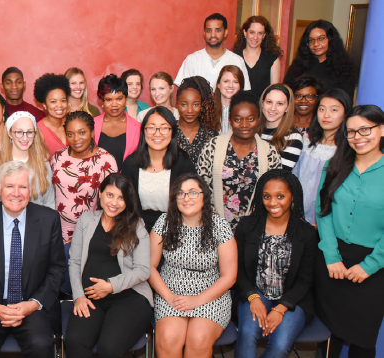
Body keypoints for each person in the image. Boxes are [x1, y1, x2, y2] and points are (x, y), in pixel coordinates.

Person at [0, 161, 66, 358]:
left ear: (30, 190)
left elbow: (57, 269)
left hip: (32, 304)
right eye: (10, 186)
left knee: (41, 345)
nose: (16, 193)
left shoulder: (49, 219)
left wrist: (33, 304)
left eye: (23, 187)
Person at [315, 105, 384, 358]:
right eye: (351, 132)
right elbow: (323, 212)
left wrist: (370, 265)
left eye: (365, 129)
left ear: (382, 129)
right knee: (328, 337)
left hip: (375, 267)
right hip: (334, 263)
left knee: (363, 339)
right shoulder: (333, 166)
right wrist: (332, 257)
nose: (358, 137)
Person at [65, 173, 154, 358]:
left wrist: (111, 286)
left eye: (121, 198)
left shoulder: (137, 226)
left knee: (109, 349)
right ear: (100, 194)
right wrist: (79, 296)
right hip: (91, 298)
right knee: (74, 342)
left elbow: (143, 270)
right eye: (110, 195)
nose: (114, 202)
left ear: (128, 201)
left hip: (129, 298)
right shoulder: (86, 220)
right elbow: (74, 262)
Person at [150, 173, 237, 358]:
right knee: (168, 337)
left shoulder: (219, 226)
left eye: (193, 192)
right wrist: (170, 297)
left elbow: (229, 276)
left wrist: (197, 300)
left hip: (211, 293)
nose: (186, 198)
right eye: (180, 193)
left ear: (204, 195)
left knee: (198, 339)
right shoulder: (164, 223)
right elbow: (149, 267)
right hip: (171, 291)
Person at [234, 170, 318, 358]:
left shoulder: (306, 233)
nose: (273, 203)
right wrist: (252, 297)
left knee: (279, 345)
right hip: (254, 293)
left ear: (293, 196)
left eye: (280, 196)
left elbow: (305, 280)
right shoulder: (247, 226)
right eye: (267, 196)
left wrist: (281, 308)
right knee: (247, 335)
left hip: (292, 299)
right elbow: (236, 269)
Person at [50, 111, 117, 294]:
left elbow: (112, 203)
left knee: (82, 287)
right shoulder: (57, 158)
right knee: (58, 285)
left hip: (90, 233)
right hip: (57, 233)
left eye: (82, 132)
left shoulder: (106, 161)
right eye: (70, 134)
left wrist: (84, 236)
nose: (76, 139)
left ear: (92, 132)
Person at [197, 90, 281, 229]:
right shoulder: (212, 147)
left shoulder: (270, 153)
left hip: (254, 230)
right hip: (214, 227)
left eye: (250, 119)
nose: (244, 125)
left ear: (259, 119)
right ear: (230, 120)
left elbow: (273, 195)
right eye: (238, 119)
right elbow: (201, 188)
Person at [121, 106, 196, 232]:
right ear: (144, 131)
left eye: (164, 128)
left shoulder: (183, 162)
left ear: (172, 131)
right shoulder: (131, 163)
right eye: (151, 127)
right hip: (138, 230)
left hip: (176, 229)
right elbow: (126, 205)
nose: (157, 133)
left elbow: (194, 202)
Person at [293, 89, 351, 225]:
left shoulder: (346, 149)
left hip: (323, 221)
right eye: (322, 109)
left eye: (334, 110)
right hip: (295, 215)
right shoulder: (306, 141)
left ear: (345, 114)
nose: (326, 115)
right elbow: (294, 175)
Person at [0, 111, 55, 208]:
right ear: (10, 133)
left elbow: (49, 203)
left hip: (37, 222)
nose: (25, 138)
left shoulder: (42, 163)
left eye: (29, 132)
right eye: (19, 132)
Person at [175, 13, 251, 91]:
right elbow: (184, 92)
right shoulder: (192, 60)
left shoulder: (237, 61)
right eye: (209, 30)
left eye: (218, 30)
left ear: (225, 33)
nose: (213, 34)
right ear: (204, 33)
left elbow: (244, 93)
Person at [283, 20, 358, 100]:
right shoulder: (297, 66)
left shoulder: (345, 68)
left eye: (321, 39)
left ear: (330, 39)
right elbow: (286, 94)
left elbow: (346, 100)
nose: (316, 44)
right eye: (311, 40)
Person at [94, 74, 141, 168]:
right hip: (98, 181)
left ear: (126, 99)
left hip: (127, 180)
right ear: (102, 101)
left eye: (119, 99)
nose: (114, 104)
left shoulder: (138, 127)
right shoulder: (92, 125)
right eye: (109, 100)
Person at [234, 16, 283, 98]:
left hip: (262, 108)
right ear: (245, 33)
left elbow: (275, 92)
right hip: (239, 108)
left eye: (260, 33)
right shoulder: (234, 57)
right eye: (252, 32)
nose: (255, 37)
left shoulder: (273, 59)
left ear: (264, 35)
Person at [259, 84, 303, 170]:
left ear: (287, 108)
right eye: (269, 102)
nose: (273, 108)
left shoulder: (293, 137)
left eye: (280, 103)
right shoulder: (252, 130)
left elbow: (280, 176)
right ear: (262, 103)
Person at [175, 76, 219, 165]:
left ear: (202, 105)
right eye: (184, 104)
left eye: (195, 104)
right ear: (177, 104)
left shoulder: (211, 136)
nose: (190, 110)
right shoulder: (167, 132)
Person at [34, 73, 71, 157]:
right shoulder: (38, 131)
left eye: (63, 100)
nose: (59, 105)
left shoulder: (71, 124)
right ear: (44, 105)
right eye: (53, 101)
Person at [214, 66, 245, 135]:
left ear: (241, 86)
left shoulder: (246, 110)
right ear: (218, 84)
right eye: (226, 81)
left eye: (235, 82)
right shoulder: (209, 109)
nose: (230, 85)